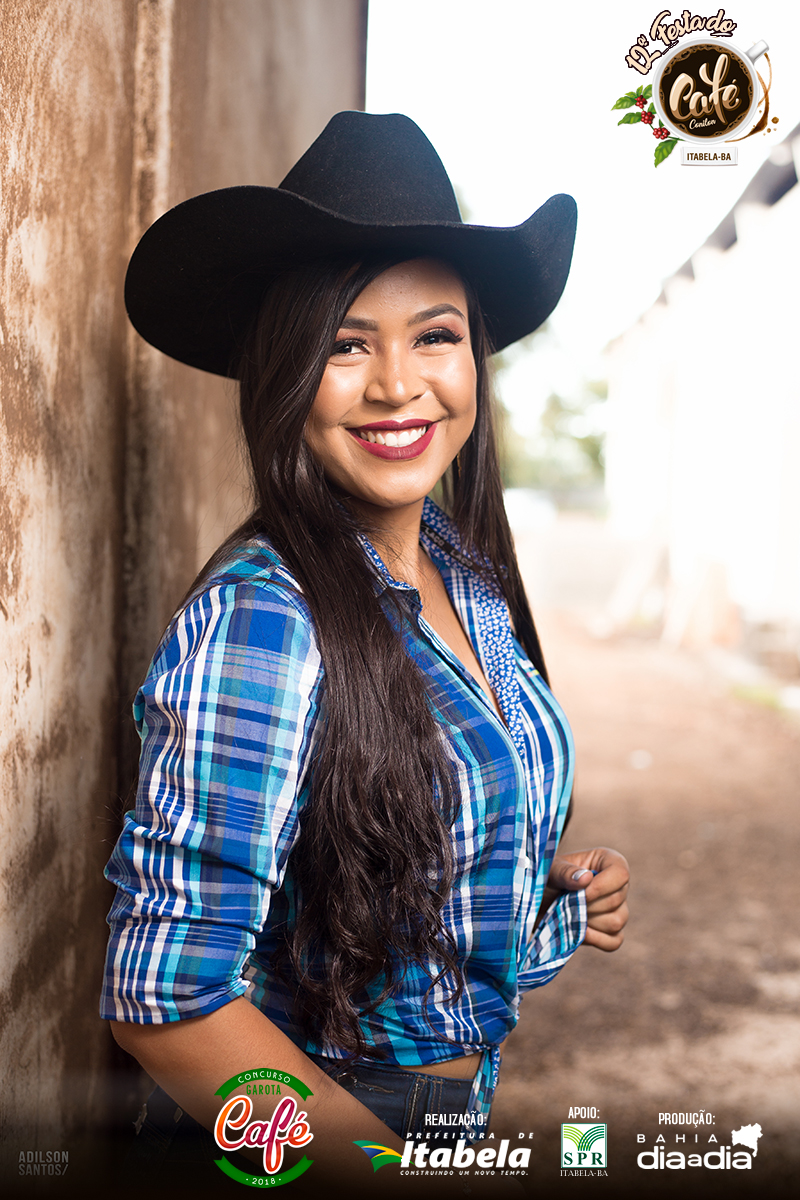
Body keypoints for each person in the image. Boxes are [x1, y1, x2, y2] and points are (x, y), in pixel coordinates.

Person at [102, 111, 629, 1195]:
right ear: (283, 370)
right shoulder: (265, 620)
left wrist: (537, 874)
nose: (397, 385)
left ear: (472, 355)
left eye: (433, 335)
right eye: (346, 344)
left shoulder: (464, 574)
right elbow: (169, 1005)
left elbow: (388, 858)